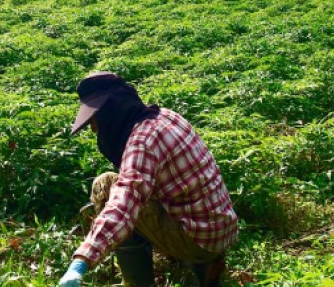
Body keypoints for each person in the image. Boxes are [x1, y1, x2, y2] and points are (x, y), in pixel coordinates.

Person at [59, 72, 239, 287]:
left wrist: (81, 262)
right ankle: (201, 264)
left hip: (198, 239)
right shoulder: (165, 116)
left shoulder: (142, 142)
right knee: (122, 185)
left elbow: (122, 205)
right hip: (219, 227)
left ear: (111, 111)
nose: (94, 128)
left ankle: (139, 283)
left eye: (95, 119)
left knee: (106, 187)